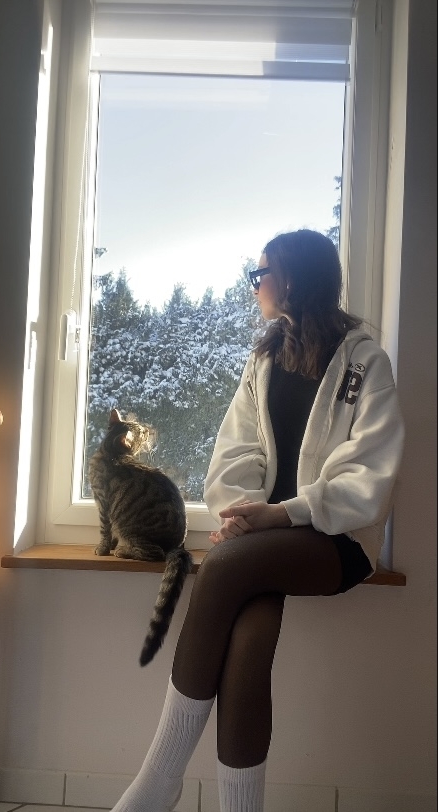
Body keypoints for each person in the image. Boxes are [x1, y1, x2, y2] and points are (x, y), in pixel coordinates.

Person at [111, 229, 404, 812]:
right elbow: (236, 451)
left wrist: (281, 514)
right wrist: (247, 513)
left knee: (223, 566)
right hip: (263, 542)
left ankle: (159, 780)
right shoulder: (264, 359)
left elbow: (370, 476)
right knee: (248, 646)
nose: (254, 286)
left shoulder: (364, 361)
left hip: (336, 540)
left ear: (291, 279)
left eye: (260, 273)